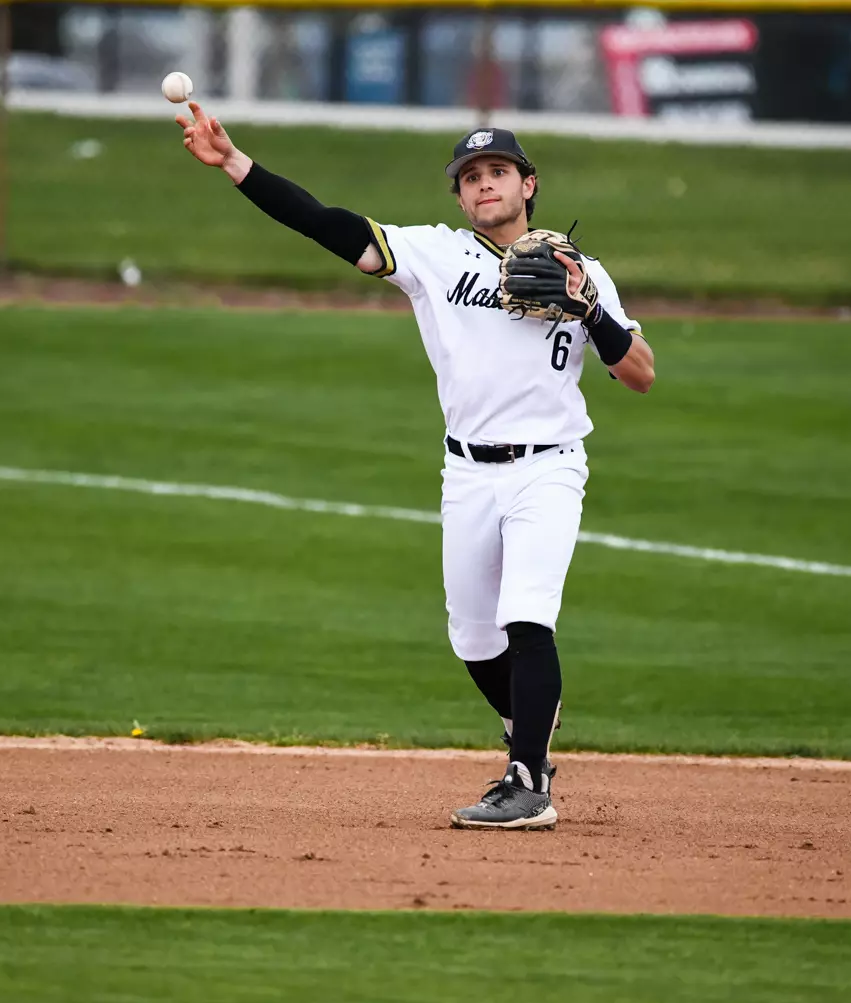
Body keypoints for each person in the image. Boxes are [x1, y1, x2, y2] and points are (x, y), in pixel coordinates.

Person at [177, 103, 656, 830]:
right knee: (473, 638)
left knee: (528, 616)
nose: (485, 184)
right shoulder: (433, 255)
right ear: (459, 197)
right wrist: (237, 165)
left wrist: (590, 310)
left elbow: (641, 372)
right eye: (471, 177)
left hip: (549, 468)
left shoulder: (582, 273)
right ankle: (533, 716)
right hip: (465, 471)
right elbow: (327, 223)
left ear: (529, 184)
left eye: (498, 172)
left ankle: (529, 782)